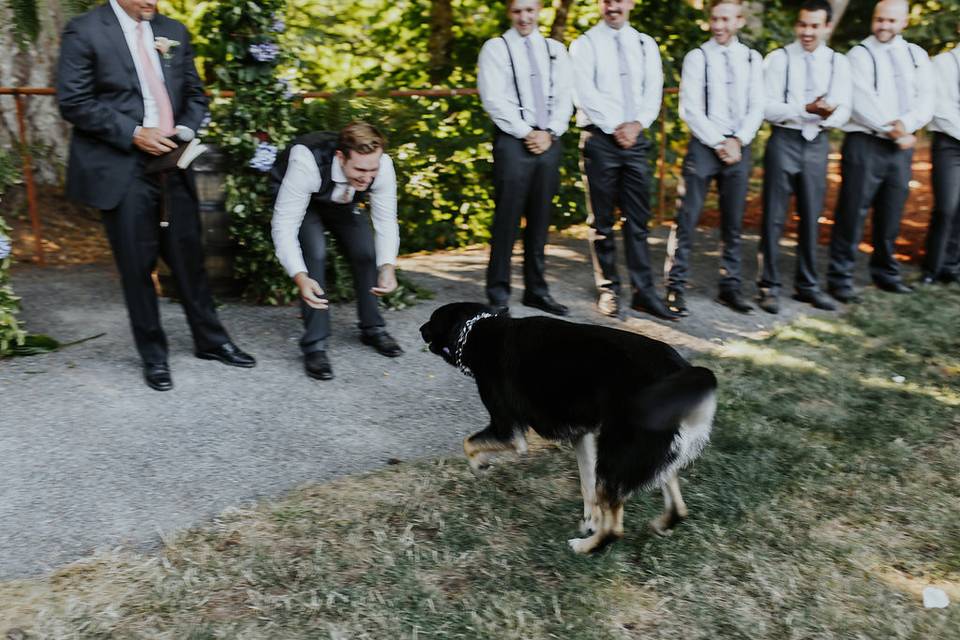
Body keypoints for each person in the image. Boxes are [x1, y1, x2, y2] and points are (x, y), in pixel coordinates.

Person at [56, 0, 255, 392]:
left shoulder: (174, 30)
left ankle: (211, 342)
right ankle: (154, 356)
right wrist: (134, 132)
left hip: (173, 161)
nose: (155, 2)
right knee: (137, 264)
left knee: (189, 256)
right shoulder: (85, 30)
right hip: (121, 164)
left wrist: (183, 130)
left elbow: (196, 95)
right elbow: (74, 101)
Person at [570, 0, 677, 320]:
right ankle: (608, 289)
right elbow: (583, 91)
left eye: (619, 0)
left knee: (638, 220)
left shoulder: (645, 44)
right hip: (600, 138)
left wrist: (636, 124)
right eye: (607, 1)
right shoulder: (584, 44)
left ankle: (644, 292)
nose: (613, 6)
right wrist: (616, 126)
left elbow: (653, 89)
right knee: (601, 222)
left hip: (636, 138)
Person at [270, 122, 402, 381]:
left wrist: (388, 266)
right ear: (341, 157)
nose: (367, 177)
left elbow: (386, 219)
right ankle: (315, 344)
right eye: (360, 169)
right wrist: (299, 276)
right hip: (303, 200)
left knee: (366, 251)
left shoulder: (381, 166)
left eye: (372, 170)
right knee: (315, 253)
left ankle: (372, 328)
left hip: (342, 200)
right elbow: (284, 225)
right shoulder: (305, 161)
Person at [826, 0, 934, 303]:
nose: (883, 26)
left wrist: (908, 124)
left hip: (900, 147)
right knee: (852, 211)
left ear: (904, 23)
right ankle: (840, 277)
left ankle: (886, 273)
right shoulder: (858, 55)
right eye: (879, 19)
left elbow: (926, 98)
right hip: (865, 142)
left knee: (892, 210)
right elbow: (862, 101)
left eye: (890, 20)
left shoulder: (916, 55)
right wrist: (896, 130)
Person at [663, 0, 765, 317]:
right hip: (705, 146)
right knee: (687, 218)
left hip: (739, 145)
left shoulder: (751, 58)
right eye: (714, 19)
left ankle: (729, 287)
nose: (719, 25)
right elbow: (690, 109)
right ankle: (674, 287)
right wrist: (720, 142)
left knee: (733, 222)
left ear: (739, 21)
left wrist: (739, 140)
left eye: (726, 19)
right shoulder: (698, 57)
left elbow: (757, 105)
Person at [477, 0, 574, 316]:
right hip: (513, 141)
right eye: (518, 11)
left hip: (549, 140)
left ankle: (537, 290)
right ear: (509, 12)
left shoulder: (555, 49)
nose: (524, 17)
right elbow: (493, 98)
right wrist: (525, 132)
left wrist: (552, 131)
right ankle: (498, 292)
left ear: (539, 10)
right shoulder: (496, 48)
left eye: (530, 10)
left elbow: (564, 96)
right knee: (507, 217)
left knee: (541, 218)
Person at [755, 0, 851, 314]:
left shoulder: (838, 62)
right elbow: (765, 107)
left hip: (817, 142)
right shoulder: (778, 59)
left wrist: (827, 116)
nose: (807, 32)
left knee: (812, 216)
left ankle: (807, 286)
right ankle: (768, 286)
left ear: (826, 27)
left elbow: (846, 109)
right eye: (803, 25)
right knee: (774, 216)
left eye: (814, 26)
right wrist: (803, 110)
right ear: (797, 25)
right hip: (784, 139)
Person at [920, 44, 960, 286]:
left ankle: (952, 266)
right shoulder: (943, 63)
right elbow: (941, 110)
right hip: (949, 143)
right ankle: (931, 268)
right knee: (946, 207)